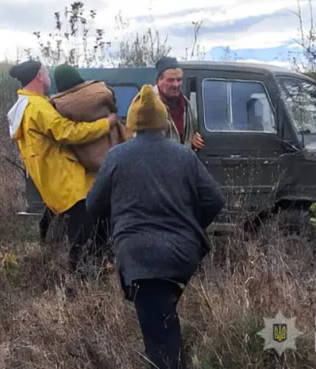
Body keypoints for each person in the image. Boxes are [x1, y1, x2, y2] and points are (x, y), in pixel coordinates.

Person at [86, 84, 225, 369]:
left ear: (134, 122)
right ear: (162, 122)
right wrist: (189, 228)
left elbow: (93, 205)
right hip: (182, 257)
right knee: (163, 323)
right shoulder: (185, 155)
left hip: (141, 259)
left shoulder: (117, 156)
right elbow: (215, 199)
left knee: (160, 340)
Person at [6, 59, 119, 274]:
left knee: (83, 236)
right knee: (82, 242)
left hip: (55, 187)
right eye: (46, 73)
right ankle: (80, 285)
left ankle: (87, 276)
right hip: (71, 186)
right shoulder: (38, 106)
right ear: (39, 76)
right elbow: (68, 132)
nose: (49, 78)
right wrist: (106, 124)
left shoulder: (22, 107)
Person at [153, 56, 205, 151]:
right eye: (171, 80)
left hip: (181, 162)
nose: (176, 85)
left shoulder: (185, 104)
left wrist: (193, 139)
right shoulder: (147, 106)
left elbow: (190, 133)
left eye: (179, 79)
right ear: (159, 80)